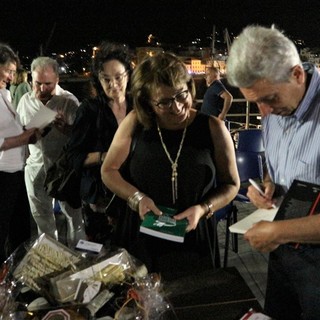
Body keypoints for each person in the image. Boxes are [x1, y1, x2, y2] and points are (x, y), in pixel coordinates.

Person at [101, 52, 239, 277]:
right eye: (164, 102)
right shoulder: (135, 122)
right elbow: (108, 170)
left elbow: (231, 184)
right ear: (147, 102)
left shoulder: (213, 128)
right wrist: (137, 198)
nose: (177, 107)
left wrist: (204, 208)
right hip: (141, 234)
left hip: (194, 236)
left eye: (181, 95)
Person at [227, 25, 320, 320]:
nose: (263, 111)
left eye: (269, 99)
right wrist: (268, 185)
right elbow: (276, 163)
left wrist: (277, 231)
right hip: (282, 252)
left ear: (297, 74)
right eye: (255, 102)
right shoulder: (274, 108)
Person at [67, 41, 133, 244]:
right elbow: (74, 157)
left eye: (118, 77)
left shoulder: (139, 107)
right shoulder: (89, 110)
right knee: (104, 258)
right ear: (98, 80)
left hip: (133, 193)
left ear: (128, 75)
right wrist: (106, 157)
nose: (113, 84)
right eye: (106, 79)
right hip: (101, 199)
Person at [17, 56, 85, 248]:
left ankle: (78, 259)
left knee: (74, 216)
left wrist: (66, 129)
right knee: (42, 218)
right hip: (36, 166)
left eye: (48, 84)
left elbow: (82, 139)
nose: (42, 89)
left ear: (57, 80)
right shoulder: (24, 101)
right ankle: (51, 257)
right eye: (37, 83)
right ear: (31, 80)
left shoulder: (69, 102)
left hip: (64, 169)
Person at [0, 43, 40, 263]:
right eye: (8, 70)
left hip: (16, 171)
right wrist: (24, 137)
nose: (12, 76)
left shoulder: (5, 94)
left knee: (20, 230)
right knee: (3, 228)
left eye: (14, 72)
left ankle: (14, 276)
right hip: (3, 173)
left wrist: (29, 132)